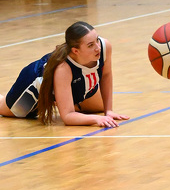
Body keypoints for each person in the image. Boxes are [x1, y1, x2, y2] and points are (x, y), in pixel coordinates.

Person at [0, 21, 129, 127]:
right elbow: (67, 117)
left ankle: (62, 98)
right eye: (90, 45)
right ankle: (58, 98)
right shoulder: (63, 68)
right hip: (34, 84)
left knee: (99, 106)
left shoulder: (104, 46)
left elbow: (106, 75)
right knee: (10, 110)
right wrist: (96, 119)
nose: (97, 47)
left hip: (75, 84)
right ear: (75, 51)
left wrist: (108, 110)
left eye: (97, 39)